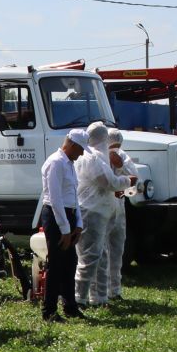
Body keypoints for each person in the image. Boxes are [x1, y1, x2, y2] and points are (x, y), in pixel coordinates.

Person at [74, 122, 128, 308]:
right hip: (92, 212)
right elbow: (109, 182)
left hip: (99, 212)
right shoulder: (92, 158)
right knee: (89, 258)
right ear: (104, 139)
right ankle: (79, 298)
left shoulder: (94, 157)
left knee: (100, 256)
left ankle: (99, 298)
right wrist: (127, 181)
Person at [37, 130, 87, 321]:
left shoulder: (69, 164)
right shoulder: (56, 163)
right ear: (72, 144)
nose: (82, 154)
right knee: (56, 264)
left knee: (70, 263)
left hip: (69, 215)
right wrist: (65, 230)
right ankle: (49, 311)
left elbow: (74, 196)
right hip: (56, 216)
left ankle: (70, 306)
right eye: (81, 149)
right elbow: (56, 200)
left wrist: (78, 224)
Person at [104, 130, 138, 302]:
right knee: (102, 251)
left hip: (116, 206)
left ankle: (113, 291)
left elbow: (134, 178)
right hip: (103, 207)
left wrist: (119, 166)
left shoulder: (121, 156)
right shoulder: (97, 156)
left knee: (116, 249)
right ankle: (100, 292)